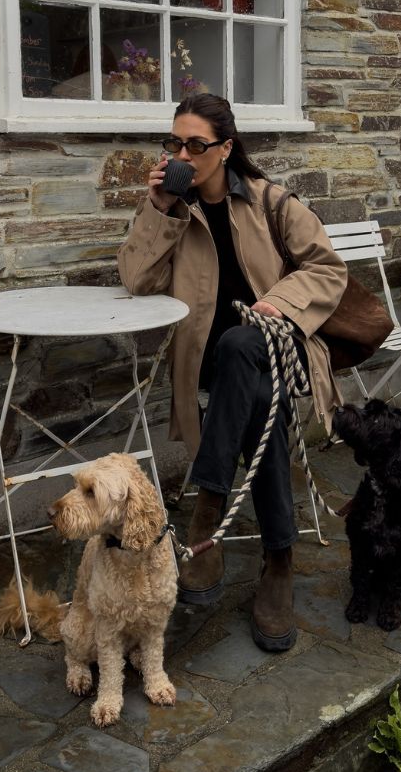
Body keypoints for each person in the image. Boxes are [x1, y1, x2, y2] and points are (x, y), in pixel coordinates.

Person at [119, 94, 347, 651]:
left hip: (278, 344)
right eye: (174, 143)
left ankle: (209, 504)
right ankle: (279, 562)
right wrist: (159, 209)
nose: (183, 154)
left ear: (226, 148)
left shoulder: (273, 203)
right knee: (245, 375)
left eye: (196, 145)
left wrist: (281, 303)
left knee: (245, 343)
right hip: (217, 366)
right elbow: (135, 280)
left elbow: (328, 269)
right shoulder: (177, 208)